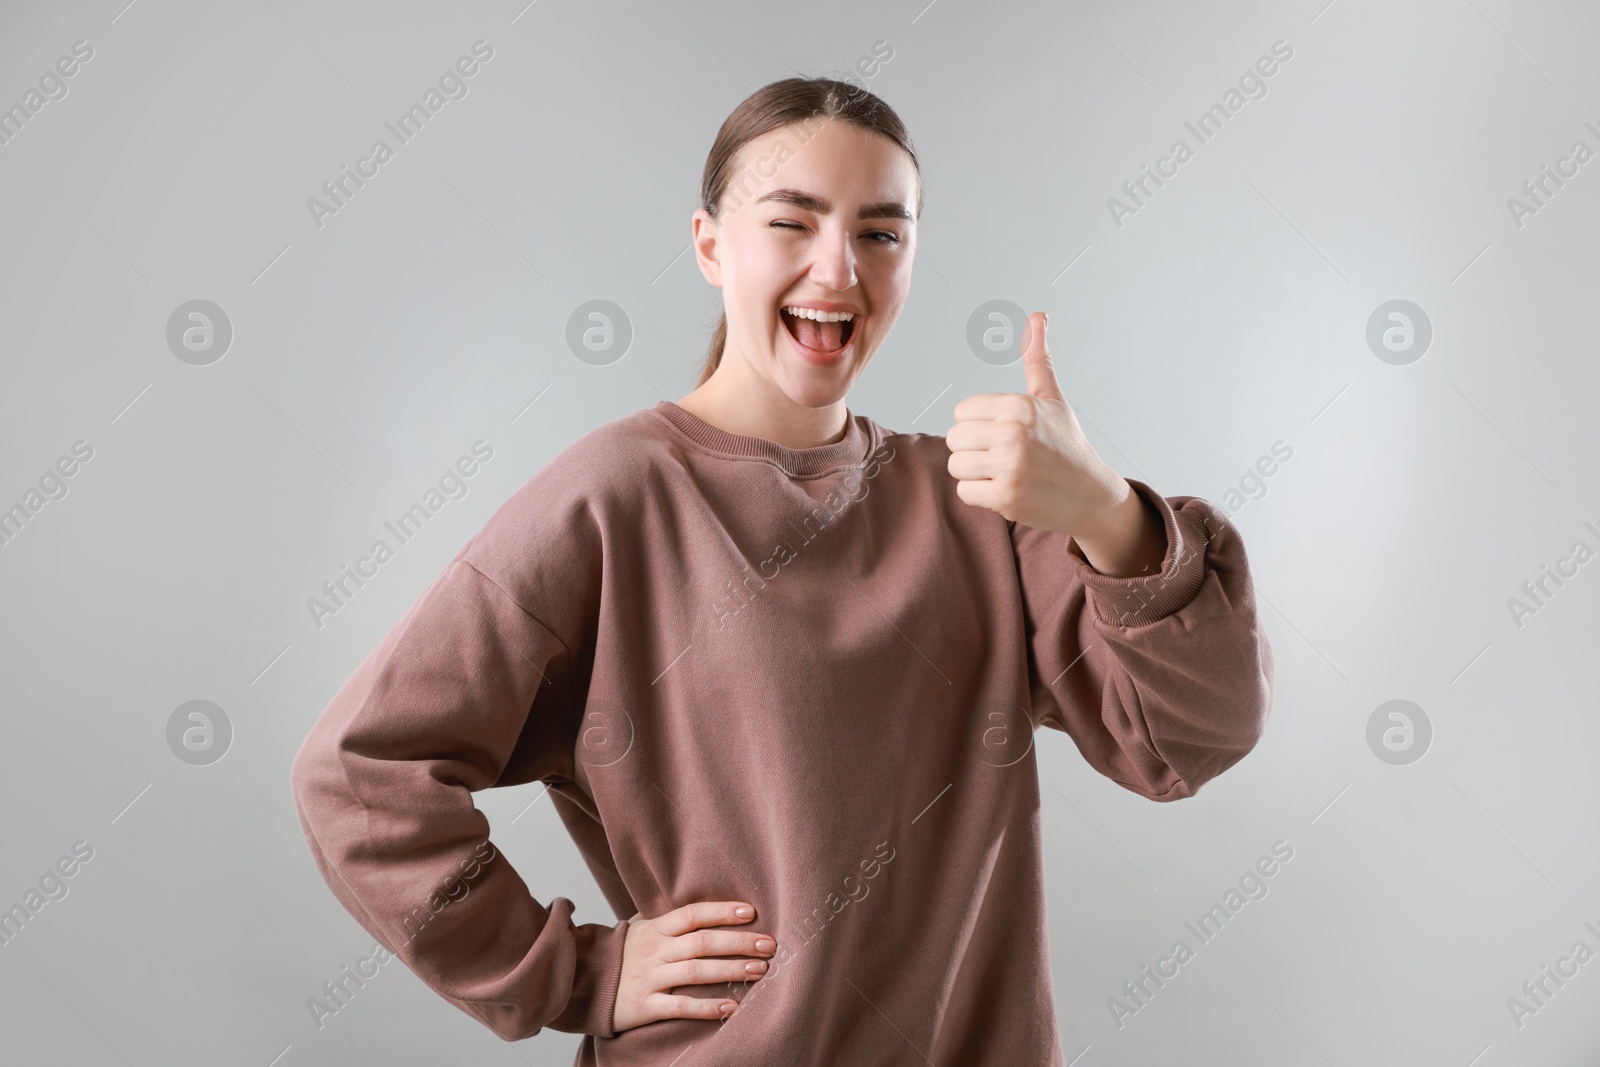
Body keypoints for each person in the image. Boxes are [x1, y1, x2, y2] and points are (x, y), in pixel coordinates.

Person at [289, 76, 1274, 1066]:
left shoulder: (975, 507)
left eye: (881, 233)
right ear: (712, 244)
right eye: (791, 222)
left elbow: (1192, 735)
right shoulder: (615, 496)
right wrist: (581, 971)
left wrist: (1108, 513)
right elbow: (359, 771)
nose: (837, 268)